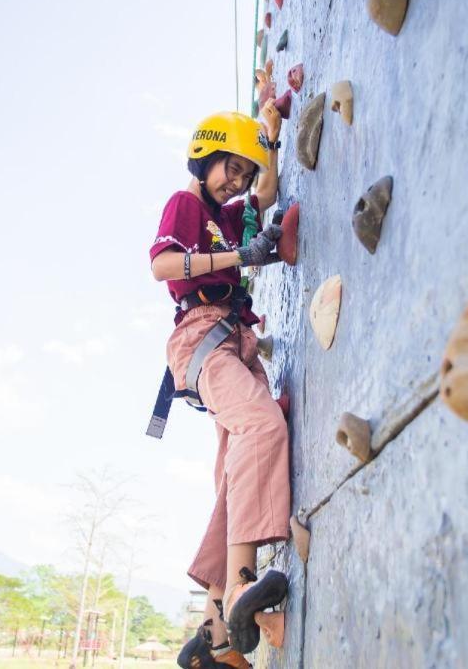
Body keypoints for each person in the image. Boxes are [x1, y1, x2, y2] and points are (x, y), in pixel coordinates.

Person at [149, 101, 291, 669]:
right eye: (230, 168)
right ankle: (239, 590)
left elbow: (268, 196)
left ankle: (216, 640)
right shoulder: (186, 203)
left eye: (243, 173)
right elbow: (162, 265)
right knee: (261, 426)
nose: (237, 182)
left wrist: (272, 143)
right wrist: (239, 255)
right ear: (204, 155)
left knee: (238, 468)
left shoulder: (229, 214)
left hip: (232, 337)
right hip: (204, 333)